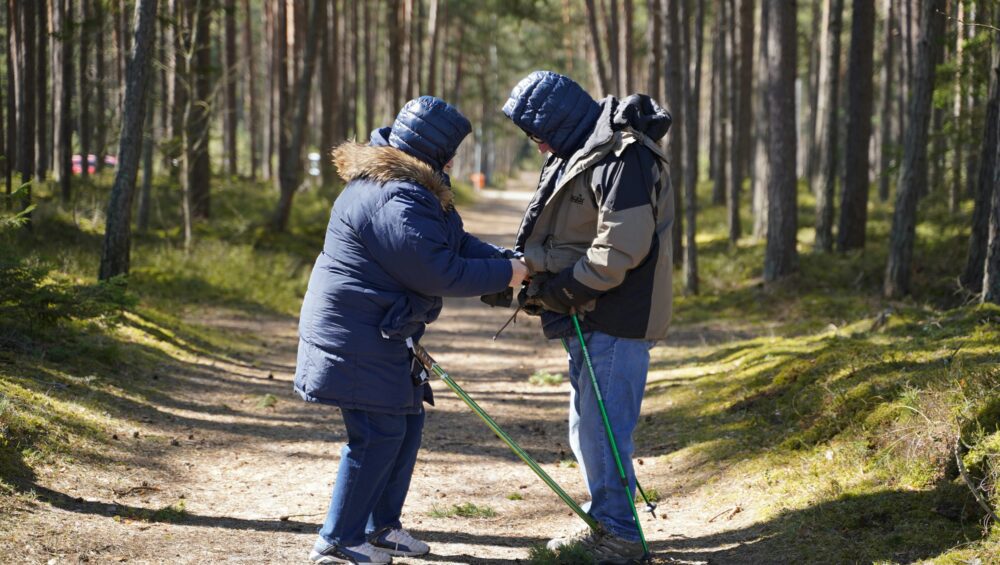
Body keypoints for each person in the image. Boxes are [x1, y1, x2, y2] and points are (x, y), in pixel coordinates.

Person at [294, 96, 528, 564]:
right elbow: (438, 271)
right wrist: (508, 276)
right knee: (376, 434)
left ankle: (380, 527)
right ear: (436, 152)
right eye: (453, 152)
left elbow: (455, 243)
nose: (456, 161)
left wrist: (505, 259)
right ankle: (338, 541)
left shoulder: (410, 188)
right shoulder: (395, 197)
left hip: (380, 330)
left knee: (405, 422)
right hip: (356, 335)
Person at [501, 70, 673, 564]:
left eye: (537, 135)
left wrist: (564, 291)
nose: (536, 146)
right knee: (586, 428)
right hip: (587, 313)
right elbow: (565, 233)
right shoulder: (577, 152)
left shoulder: (626, 156)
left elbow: (621, 245)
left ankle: (620, 536)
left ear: (559, 123)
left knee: (603, 430)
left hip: (617, 315)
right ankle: (605, 520)